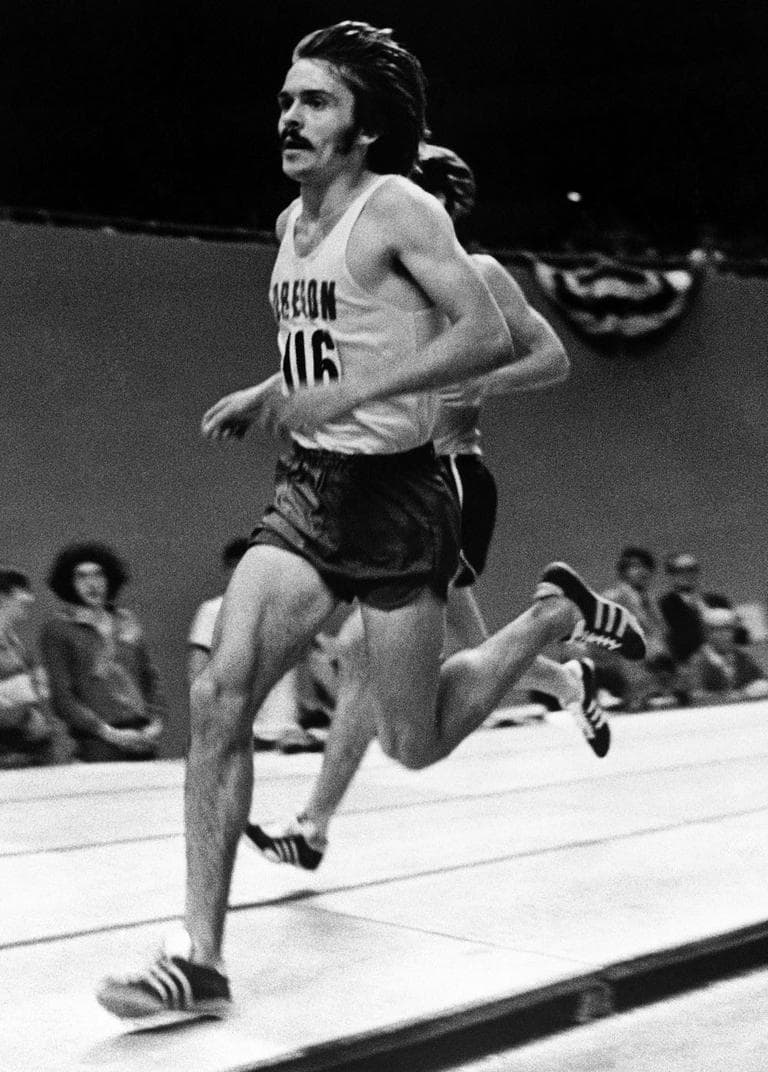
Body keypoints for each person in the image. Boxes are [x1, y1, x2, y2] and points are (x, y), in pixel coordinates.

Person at [96, 21, 644, 1021]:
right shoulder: (288, 223)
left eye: (315, 101)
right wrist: (273, 390)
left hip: (402, 498)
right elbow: (333, 339)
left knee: (412, 740)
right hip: (310, 491)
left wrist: (359, 394)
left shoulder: (401, 208)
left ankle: (548, 622)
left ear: (365, 126)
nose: (289, 117)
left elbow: (487, 333)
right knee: (220, 693)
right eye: (285, 99)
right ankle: (201, 957)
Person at [245, 142, 611, 872]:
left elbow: (552, 356)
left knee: (371, 652)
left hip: (448, 481)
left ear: (439, 204)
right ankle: (566, 676)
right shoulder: (377, 290)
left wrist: (478, 385)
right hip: (384, 492)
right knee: (416, 651)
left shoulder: (478, 275)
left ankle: (314, 827)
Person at [40, 542, 165, 762]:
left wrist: (156, 722)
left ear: (110, 578)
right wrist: (107, 733)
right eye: (81, 576)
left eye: (98, 574)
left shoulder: (126, 620)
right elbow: (62, 697)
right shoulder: (58, 629)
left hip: (142, 734)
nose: (92, 584)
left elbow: (149, 677)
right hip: (97, 740)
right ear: (69, 582)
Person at [587, 546, 677, 712]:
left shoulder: (653, 601)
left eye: (645, 566)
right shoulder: (611, 599)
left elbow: (661, 635)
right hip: (618, 666)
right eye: (634, 566)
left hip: (652, 666)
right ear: (624, 571)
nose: (641, 571)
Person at [0, 568, 74, 768]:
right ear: (2, 597)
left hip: (31, 747)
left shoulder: (13, 640)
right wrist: (24, 711)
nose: (30, 598)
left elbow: (34, 687)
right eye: (22, 591)